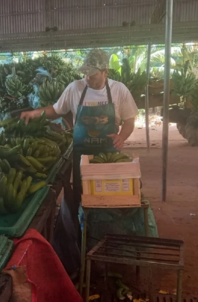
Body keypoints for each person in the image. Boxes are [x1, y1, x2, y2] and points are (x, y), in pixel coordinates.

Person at [21, 49, 139, 274]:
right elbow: (56, 110)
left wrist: (121, 136)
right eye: (85, 72)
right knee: (81, 200)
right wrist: (34, 113)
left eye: (92, 74)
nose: (87, 77)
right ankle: (79, 254)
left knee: (106, 202)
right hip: (81, 156)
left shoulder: (119, 90)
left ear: (105, 72)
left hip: (107, 158)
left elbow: (130, 119)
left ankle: (105, 250)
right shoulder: (75, 88)